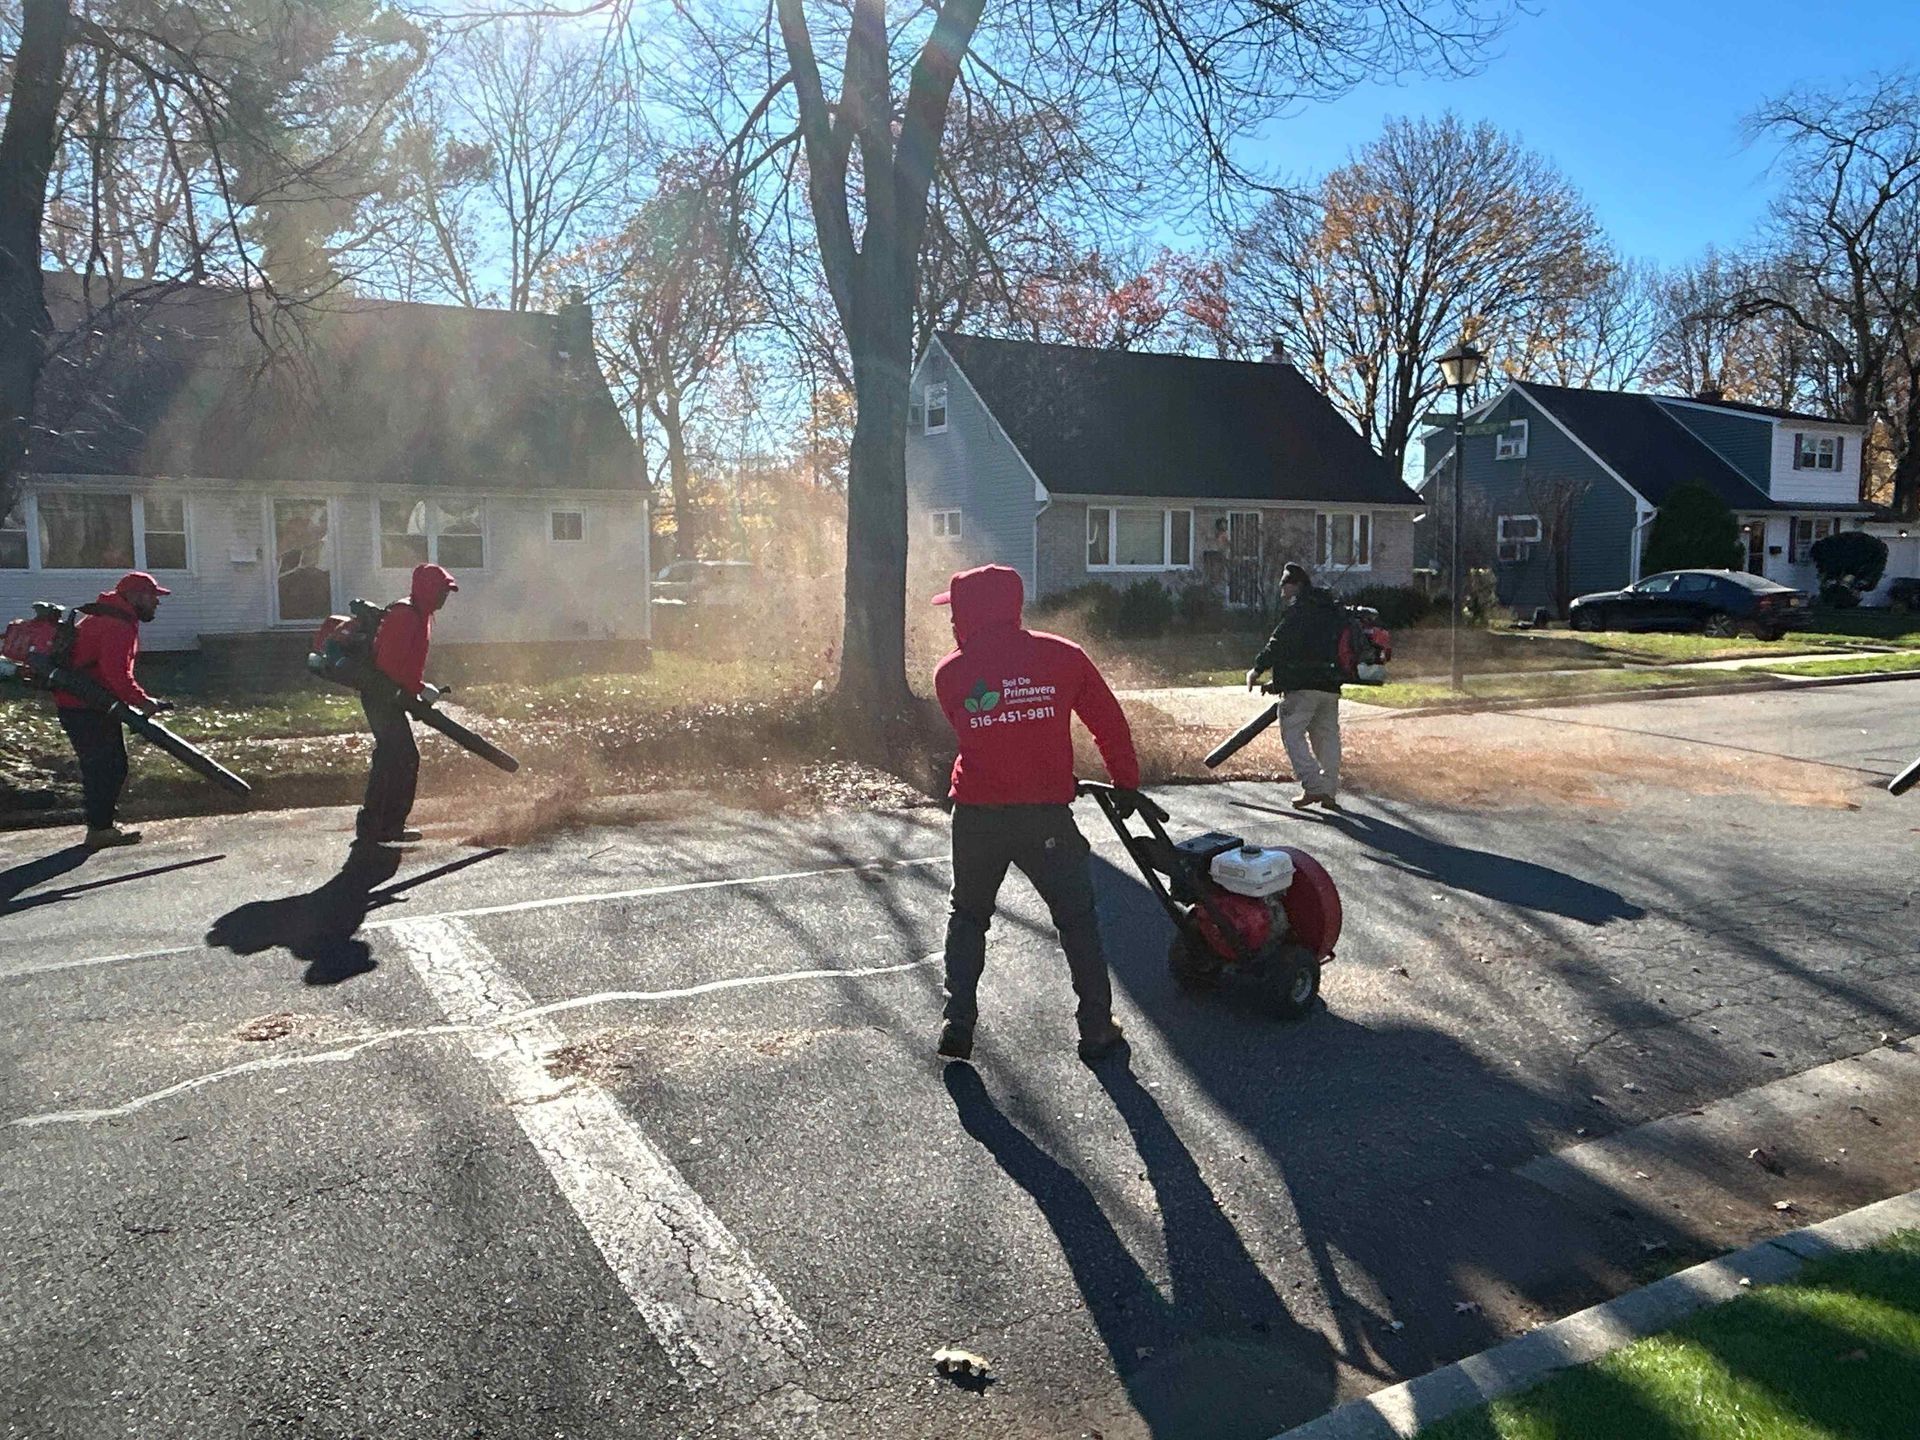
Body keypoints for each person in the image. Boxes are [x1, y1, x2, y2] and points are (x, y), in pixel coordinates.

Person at [931, 564, 1140, 1066]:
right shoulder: (1063, 656)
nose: (951, 622)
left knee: (969, 915)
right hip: (1044, 818)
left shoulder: (950, 673)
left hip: (976, 817)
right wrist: (1125, 782)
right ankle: (1096, 1027)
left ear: (970, 614)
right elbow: (1109, 723)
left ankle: (958, 1020)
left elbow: (979, 733)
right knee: (1076, 919)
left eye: (955, 612)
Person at [52, 571, 174, 849]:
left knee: (104, 765)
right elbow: (116, 674)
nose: (156, 602)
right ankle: (100, 829)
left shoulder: (104, 616)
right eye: (152, 596)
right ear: (134, 596)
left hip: (82, 704)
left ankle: (101, 826)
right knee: (108, 766)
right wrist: (144, 702)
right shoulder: (116, 625)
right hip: (85, 707)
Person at [355, 562, 458, 847]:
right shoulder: (406, 615)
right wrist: (419, 689)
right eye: (442, 591)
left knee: (392, 757)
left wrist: (417, 689)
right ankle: (384, 825)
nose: (445, 598)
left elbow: (406, 664)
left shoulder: (421, 614)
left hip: (387, 694)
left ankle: (376, 824)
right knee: (400, 757)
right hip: (380, 695)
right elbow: (389, 664)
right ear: (427, 589)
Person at [1247, 562, 1345, 812]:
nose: (1282, 591)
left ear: (1297, 585)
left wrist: (1257, 669)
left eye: (1285, 585)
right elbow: (1310, 651)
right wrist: (1278, 683)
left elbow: (1279, 644)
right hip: (1329, 685)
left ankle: (1313, 785)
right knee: (1327, 738)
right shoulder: (1330, 611)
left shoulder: (1299, 612)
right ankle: (1329, 791)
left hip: (1303, 687)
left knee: (1292, 733)